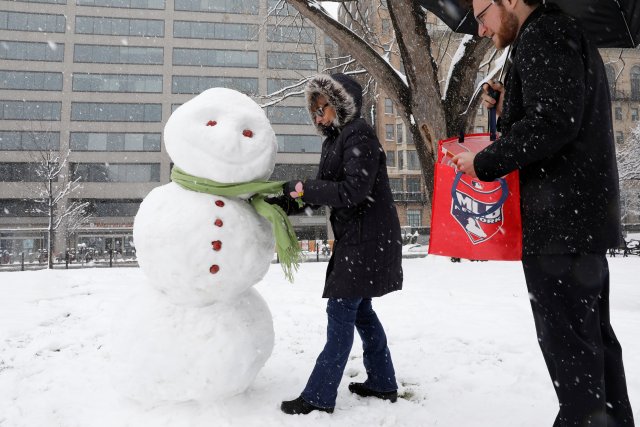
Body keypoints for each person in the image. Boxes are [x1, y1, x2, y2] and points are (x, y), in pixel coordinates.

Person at [454, 1, 635, 426]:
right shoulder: (556, 33)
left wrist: (483, 163)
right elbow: (551, 117)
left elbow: (552, 122)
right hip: (575, 220)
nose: (481, 30)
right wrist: (504, 106)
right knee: (592, 346)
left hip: (560, 224)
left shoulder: (544, 33)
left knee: (571, 351)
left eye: (483, 16)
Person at [268, 73, 403, 415]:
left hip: (366, 239)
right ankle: (382, 382)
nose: (317, 115)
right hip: (360, 239)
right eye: (313, 110)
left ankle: (318, 396)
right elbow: (324, 191)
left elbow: (353, 192)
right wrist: (284, 202)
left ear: (340, 103)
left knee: (341, 312)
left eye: (322, 107)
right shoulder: (335, 140)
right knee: (362, 313)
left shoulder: (358, 134)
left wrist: (304, 189)